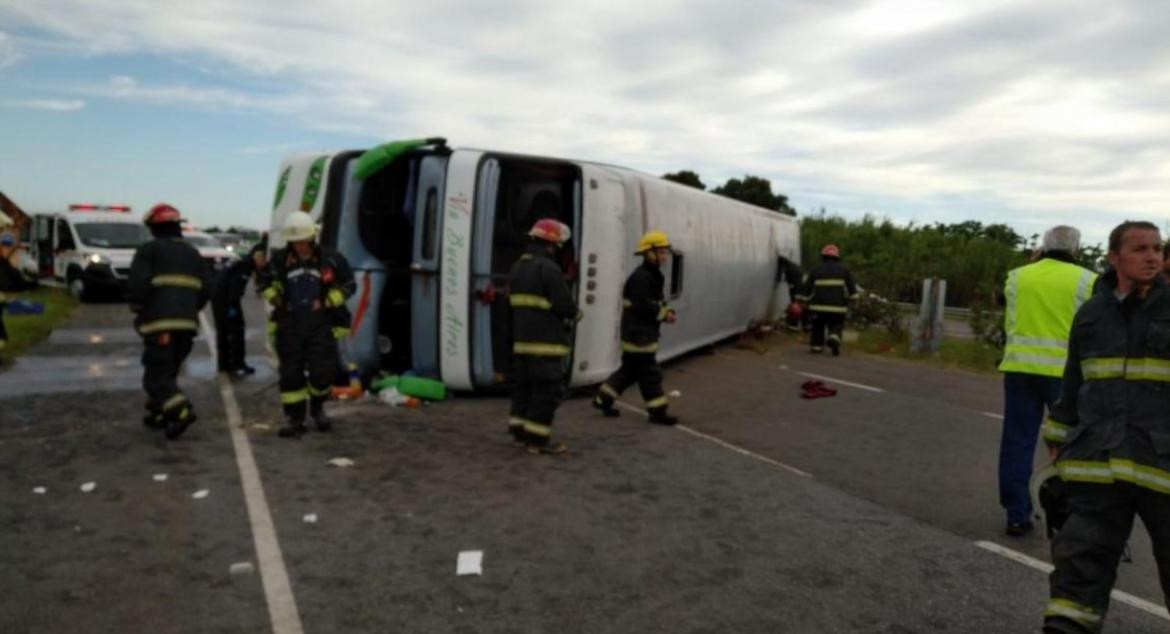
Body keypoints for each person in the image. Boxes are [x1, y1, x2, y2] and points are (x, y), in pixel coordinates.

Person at [1040, 221, 1169, 634]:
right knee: (1080, 560)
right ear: (1114, 257)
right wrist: (1059, 432)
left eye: (1157, 248)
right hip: (1099, 461)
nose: (1152, 256)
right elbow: (1074, 379)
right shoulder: (1092, 312)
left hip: (1161, 465)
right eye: (1140, 249)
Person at [997, 226, 1098, 537]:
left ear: (1043, 245)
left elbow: (1009, 318)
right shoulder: (1087, 280)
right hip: (1066, 375)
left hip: (1020, 370)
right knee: (1072, 446)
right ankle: (1067, 516)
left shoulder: (1017, 276)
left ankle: (1017, 515)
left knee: (1017, 443)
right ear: (1076, 249)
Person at [258, 212, 354, 438]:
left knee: (322, 372)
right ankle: (295, 418)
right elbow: (264, 280)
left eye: (303, 242)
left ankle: (318, 408)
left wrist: (329, 300)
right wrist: (274, 296)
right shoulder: (280, 260)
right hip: (290, 324)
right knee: (291, 374)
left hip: (321, 324)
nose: (299, 247)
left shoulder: (331, 259)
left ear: (312, 238)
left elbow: (349, 284)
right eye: (295, 242)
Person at [128, 204, 209, 440]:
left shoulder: (148, 251)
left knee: (156, 376)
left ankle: (181, 411)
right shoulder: (193, 253)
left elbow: (137, 286)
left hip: (159, 326)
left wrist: (138, 307)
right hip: (187, 327)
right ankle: (159, 414)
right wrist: (188, 309)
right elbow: (205, 289)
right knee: (168, 372)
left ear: (154, 228)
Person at [507, 218, 579, 454]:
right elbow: (565, 305)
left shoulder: (518, 266)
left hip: (522, 344)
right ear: (551, 245)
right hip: (546, 345)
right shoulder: (549, 268)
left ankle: (519, 434)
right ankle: (537, 442)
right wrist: (576, 314)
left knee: (524, 390)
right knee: (545, 393)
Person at [592, 230, 679, 425]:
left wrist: (666, 311)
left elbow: (652, 302)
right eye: (662, 252)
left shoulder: (652, 275)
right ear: (649, 253)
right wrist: (665, 316)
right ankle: (658, 413)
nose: (665, 256)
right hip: (639, 334)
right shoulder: (642, 277)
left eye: (666, 252)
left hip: (638, 332)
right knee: (650, 374)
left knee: (629, 371)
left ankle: (603, 399)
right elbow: (643, 306)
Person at [211, 238, 266, 377]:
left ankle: (224, 365)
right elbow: (234, 288)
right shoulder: (245, 267)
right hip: (226, 300)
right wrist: (232, 307)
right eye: (264, 260)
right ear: (258, 257)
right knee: (236, 331)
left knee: (223, 332)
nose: (264, 264)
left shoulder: (241, 262)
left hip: (218, 297)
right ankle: (237, 365)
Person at [796, 244, 857, 355]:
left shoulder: (816, 269)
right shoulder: (844, 270)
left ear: (823, 256)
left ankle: (816, 347)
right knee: (836, 324)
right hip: (838, 307)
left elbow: (807, 287)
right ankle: (834, 337)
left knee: (818, 326)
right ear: (837, 257)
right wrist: (853, 300)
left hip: (818, 307)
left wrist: (803, 301)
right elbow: (851, 287)